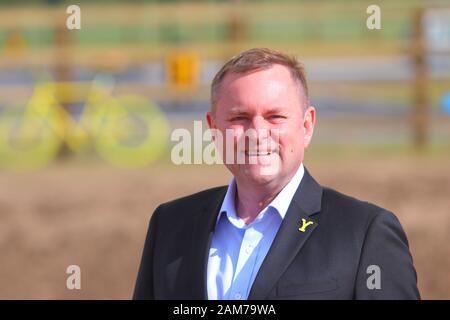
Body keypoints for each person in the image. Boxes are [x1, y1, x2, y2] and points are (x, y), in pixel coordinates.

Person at [133, 48, 420, 300]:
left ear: (306, 126)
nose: (257, 134)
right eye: (239, 118)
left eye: (275, 117)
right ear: (214, 129)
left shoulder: (365, 234)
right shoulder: (169, 226)